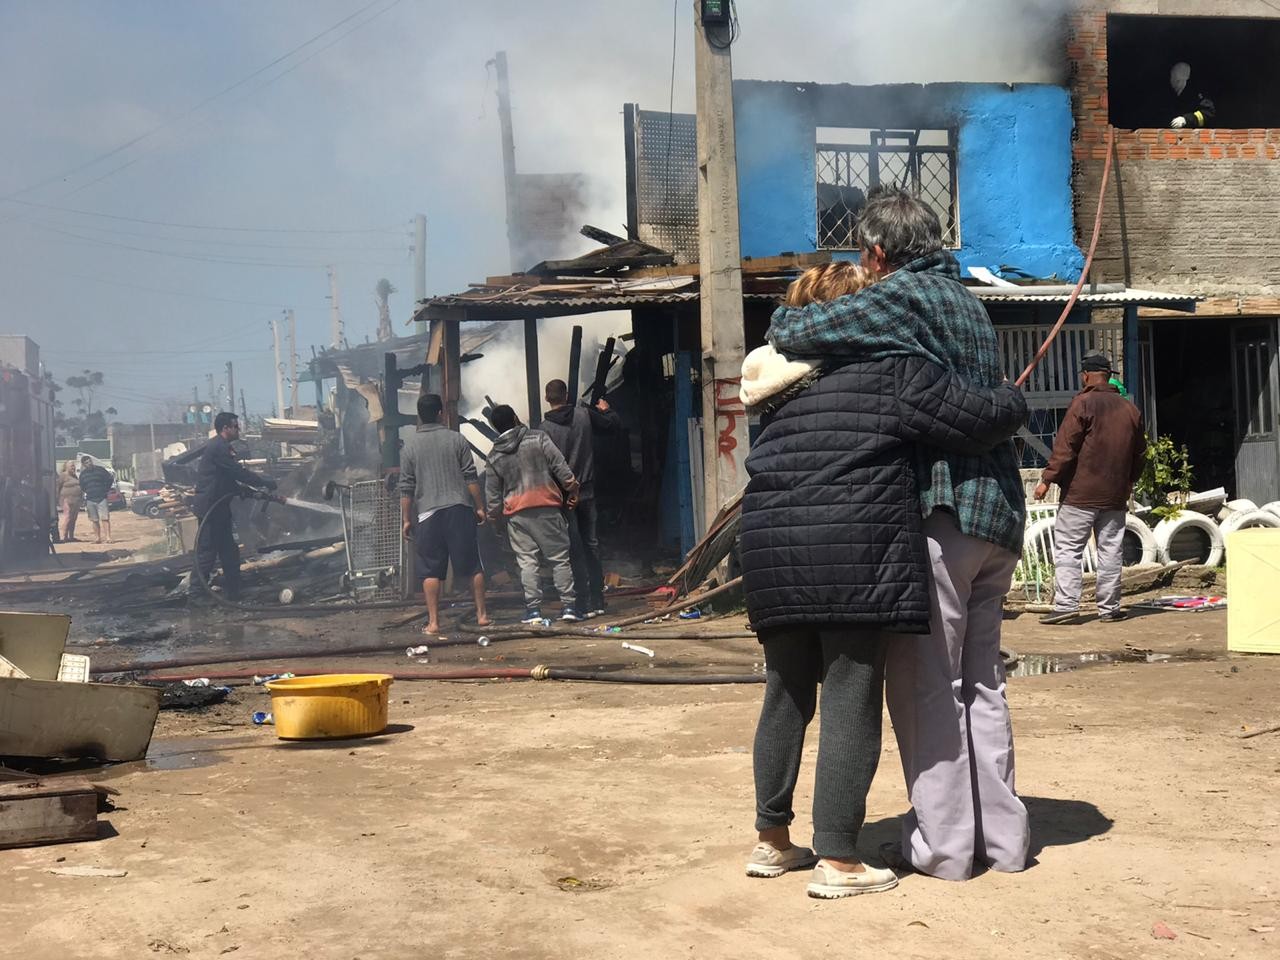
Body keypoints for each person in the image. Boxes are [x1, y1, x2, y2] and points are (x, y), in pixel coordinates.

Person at [742, 261, 1029, 898]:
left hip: (770, 552)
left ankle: (772, 840)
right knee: (852, 696)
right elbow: (979, 419)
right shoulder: (891, 372)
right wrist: (1011, 394)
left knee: (786, 692)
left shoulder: (778, 387)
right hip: (852, 551)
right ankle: (838, 859)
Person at [1035, 352, 1147, 624]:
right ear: (1108, 376)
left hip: (1080, 494)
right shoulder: (1130, 410)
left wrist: (1047, 479)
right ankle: (1109, 609)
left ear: (1085, 376)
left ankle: (1066, 605)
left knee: (1068, 549)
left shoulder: (1082, 404)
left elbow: (1066, 447)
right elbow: (1140, 454)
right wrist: (1129, 481)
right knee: (1111, 551)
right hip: (1115, 496)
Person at [399, 393, 491, 636]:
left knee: (431, 570)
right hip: (459, 508)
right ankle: (482, 615)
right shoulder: (456, 439)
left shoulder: (410, 447)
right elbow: (470, 477)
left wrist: (406, 519)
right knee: (472, 565)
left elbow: (406, 488)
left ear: (419, 416)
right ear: (440, 413)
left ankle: (434, 623)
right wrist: (479, 506)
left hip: (428, 515)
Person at [484, 405, 581, 623]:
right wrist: (572, 488)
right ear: (515, 418)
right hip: (547, 507)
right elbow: (560, 465)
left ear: (495, 427)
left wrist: (495, 518)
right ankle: (569, 607)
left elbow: (492, 496)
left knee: (527, 562)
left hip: (517, 515)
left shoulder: (494, 456)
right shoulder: (539, 438)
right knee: (559, 559)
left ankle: (534, 610)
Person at [541, 378, 620, 618]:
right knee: (591, 545)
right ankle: (598, 600)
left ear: (547, 398)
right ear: (566, 395)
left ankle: (582, 604)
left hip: (562, 497)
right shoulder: (584, 415)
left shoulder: (543, 430)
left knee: (572, 549)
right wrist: (607, 411)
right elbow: (612, 426)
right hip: (587, 491)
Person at [192, 412, 277, 600]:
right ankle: (196, 595)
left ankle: (234, 592)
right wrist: (264, 482)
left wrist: (248, 491)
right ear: (225, 428)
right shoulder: (219, 448)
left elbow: (228, 480)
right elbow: (237, 473)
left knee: (229, 552)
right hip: (210, 508)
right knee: (207, 553)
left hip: (219, 508)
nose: (239, 430)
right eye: (236, 426)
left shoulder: (221, 447)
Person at [77, 454, 115, 545]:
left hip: (102, 498)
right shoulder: (83, 474)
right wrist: (88, 491)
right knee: (94, 520)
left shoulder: (100, 470)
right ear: (83, 464)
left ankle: (108, 537)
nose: (89, 463)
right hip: (90, 499)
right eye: (86, 463)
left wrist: (105, 490)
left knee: (105, 518)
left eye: (90, 461)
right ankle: (97, 538)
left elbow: (110, 479)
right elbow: (82, 486)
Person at [1168, 61, 1215, 129]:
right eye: (1171, 77)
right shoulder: (1170, 95)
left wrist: (1186, 120)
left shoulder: (1196, 94)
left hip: (1194, 134)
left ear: (1184, 78)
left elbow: (1208, 113)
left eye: (1176, 79)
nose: (1171, 80)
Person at [55, 460, 82, 543]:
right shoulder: (63, 476)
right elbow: (57, 487)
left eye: (74, 466)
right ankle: (64, 536)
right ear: (66, 467)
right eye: (71, 466)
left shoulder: (75, 476)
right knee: (68, 517)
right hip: (66, 500)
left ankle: (71, 536)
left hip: (76, 500)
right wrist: (57, 498)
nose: (73, 467)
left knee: (73, 519)